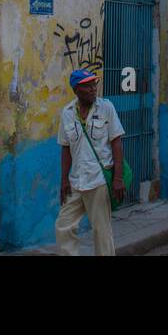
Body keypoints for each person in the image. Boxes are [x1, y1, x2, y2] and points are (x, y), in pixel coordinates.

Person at [55, 68, 125, 256]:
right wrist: (64, 180)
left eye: (94, 84)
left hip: (98, 180)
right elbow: (65, 148)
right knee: (63, 226)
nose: (94, 89)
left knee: (101, 230)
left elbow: (116, 142)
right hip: (76, 181)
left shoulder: (106, 108)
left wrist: (118, 178)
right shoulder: (67, 113)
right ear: (77, 90)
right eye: (88, 86)